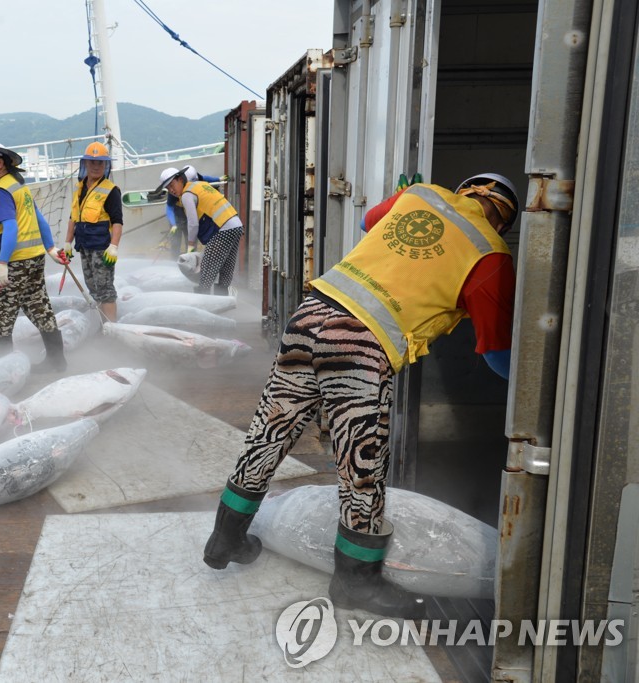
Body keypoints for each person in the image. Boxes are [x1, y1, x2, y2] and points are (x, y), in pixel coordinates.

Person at [202, 172, 519, 619]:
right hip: (358, 342)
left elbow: (373, 221)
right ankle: (356, 581)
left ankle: (225, 539)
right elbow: (497, 354)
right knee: (361, 463)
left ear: (463, 190)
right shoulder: (491, 253)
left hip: (309, 313)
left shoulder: (421, 195)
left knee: (269, 431)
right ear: (504, 222)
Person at [0, 140, 69, 370]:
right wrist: (50, 249)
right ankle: (57, 361)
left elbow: (10, 228)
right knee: (39, 307)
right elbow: (38, 218)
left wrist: (2, 264)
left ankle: (4, 371)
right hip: (34, 258)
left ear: (0, 163)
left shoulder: (1, 191)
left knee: (0, 316)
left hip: (15, 263)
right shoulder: (18, 185)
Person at [155, 166, 243, 295]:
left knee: (206, 271)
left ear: (180, 179)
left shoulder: (187, 195)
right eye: (168, 188)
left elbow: (193, 223)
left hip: (223, 228)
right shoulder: (200, 185)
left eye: (172, 185)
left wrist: (190, 246)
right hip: (236, 225)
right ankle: (222, 300)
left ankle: (204, 305)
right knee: (226, 267)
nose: (171, 190)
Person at [63, 141, 122, 323]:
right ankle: (101, 324)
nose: (96, 166)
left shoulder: (111, 190)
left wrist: (113, 246)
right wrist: (67, 243)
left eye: (100, 163)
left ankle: (111, 329)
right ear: (85, 164)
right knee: (92, 287)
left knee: (105, 289)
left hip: (101, 248)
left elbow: (118, 221)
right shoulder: (80, 188)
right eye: (92, 162)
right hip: (84, 247)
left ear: (105, 165)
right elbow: (74, 216)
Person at [163, 165, 220, 256]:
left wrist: (219, 179)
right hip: (177, 217)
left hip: (189, 218)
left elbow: (193, 224)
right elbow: (169, 208)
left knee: (190, 240)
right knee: (175, 242)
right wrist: (173, 224)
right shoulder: (175, 192)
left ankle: (190, 261)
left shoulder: (197, 182)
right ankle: (174, 262)